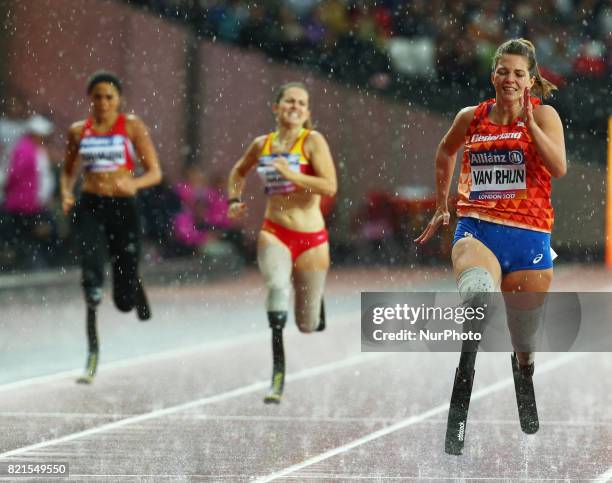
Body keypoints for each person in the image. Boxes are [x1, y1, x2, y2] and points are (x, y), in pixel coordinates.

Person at [415, 39, 566, 453]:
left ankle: (524, 371)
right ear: (492, 75)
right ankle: (466, 372)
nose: (510, 80)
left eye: (519, 73)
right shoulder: (472, 117)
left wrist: (531, 127)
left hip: (530, 240)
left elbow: (559, 167)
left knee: (524, 339)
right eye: (503, 71)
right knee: (478, 301)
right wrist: (441, 204)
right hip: (477, 230)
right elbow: (446, 151)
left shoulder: (547, 115)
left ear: (531, 79)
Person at [227, 82, 337, 403]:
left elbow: (329, 186)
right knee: (277, 287)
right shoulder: (262, 144)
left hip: (312, 240)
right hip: (274, 231)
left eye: (302, 103)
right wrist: (234, 198)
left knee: (307, 324)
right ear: (276, 108)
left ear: (307, 112)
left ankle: (316, 305)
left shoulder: (312, 141)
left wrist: (292, 175)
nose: (295, 106)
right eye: (289, 101)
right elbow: (238, 170)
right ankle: (278, 374)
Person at [61, 71, 162, 384]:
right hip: (91, 206)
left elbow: (155, 172)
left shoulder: (131, 127)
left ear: (119, 100)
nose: (103, 102)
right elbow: (68, 171)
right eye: (98, 97)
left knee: (123, 301)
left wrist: (134, 183)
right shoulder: (79, 131)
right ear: (90, 99)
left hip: (123, 208)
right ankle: (92, 352)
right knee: (91, 277)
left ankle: (134, 283)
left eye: (109, 97)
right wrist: (66, 192)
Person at [2, 115, 56, 269]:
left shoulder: (27, 148)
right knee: (31, 238)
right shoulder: (29, 150)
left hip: (25, 203)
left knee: (28, 238)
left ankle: (31, 266)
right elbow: (14, 174)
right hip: (28, 204)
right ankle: (34, 267)